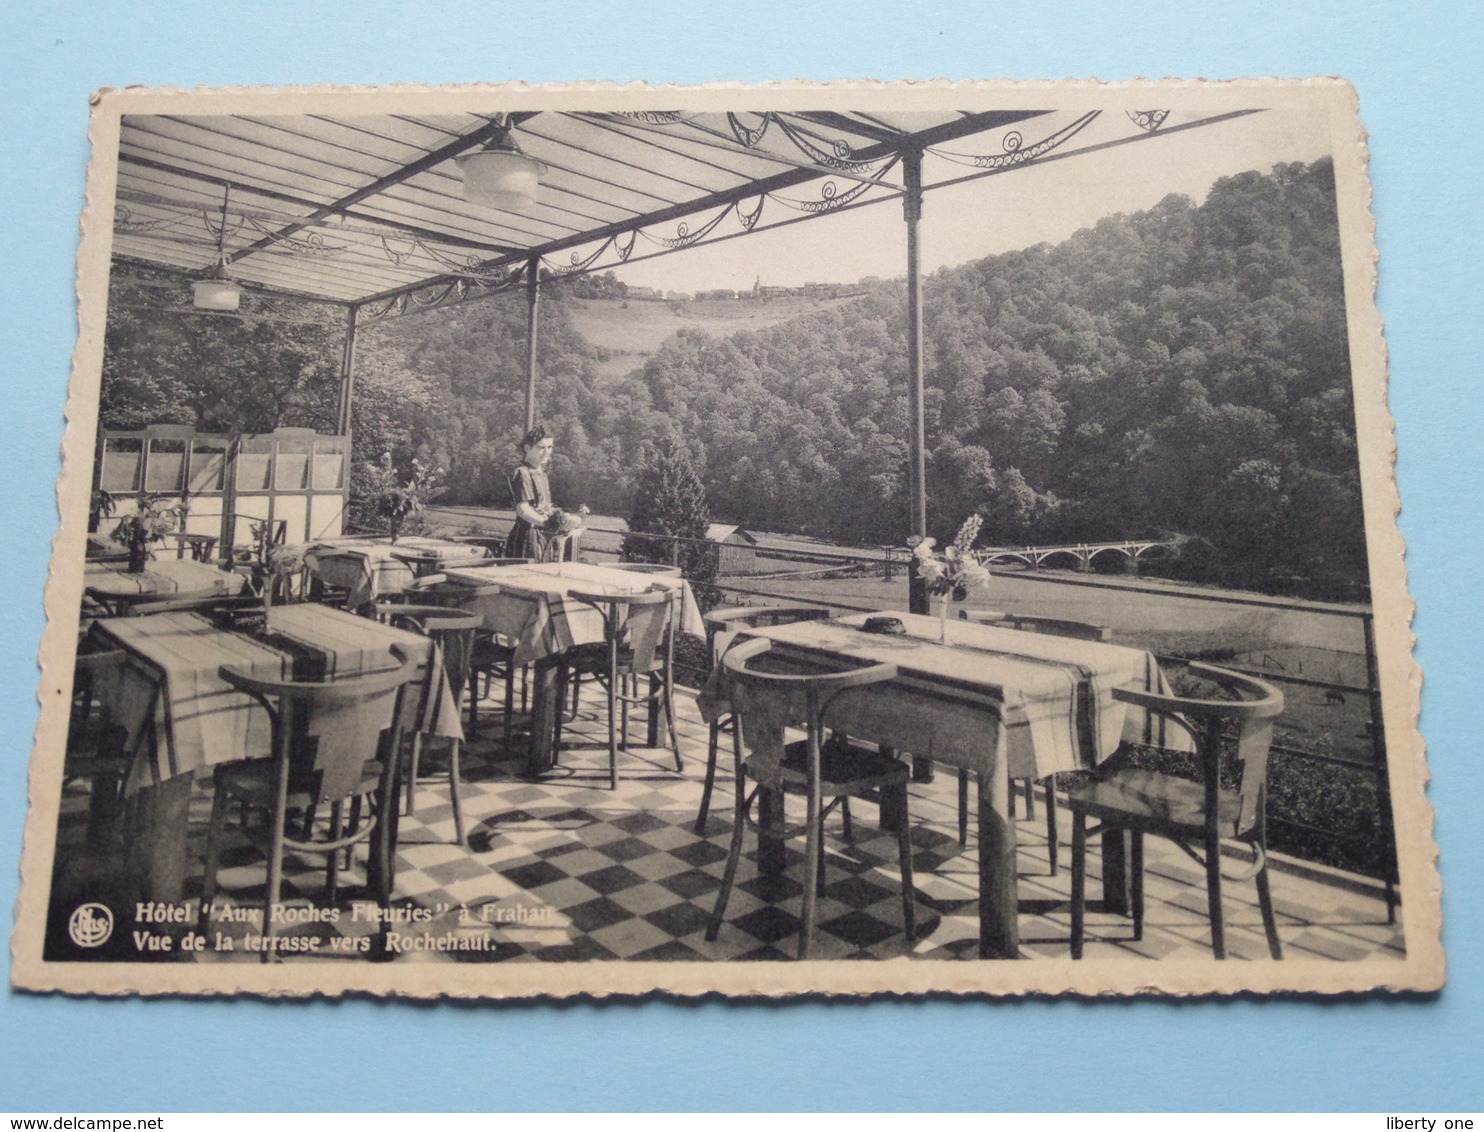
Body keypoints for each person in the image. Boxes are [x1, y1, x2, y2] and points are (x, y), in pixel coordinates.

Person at [504, 425, 556, 561]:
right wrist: (550, 523)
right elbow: (524, 510)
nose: (546, 452)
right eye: (541, 447)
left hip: (545, 536)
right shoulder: (522, 473)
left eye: (550, 447)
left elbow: (545, 508)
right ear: (527, 448)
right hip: (528, 537)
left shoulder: (542, 474)